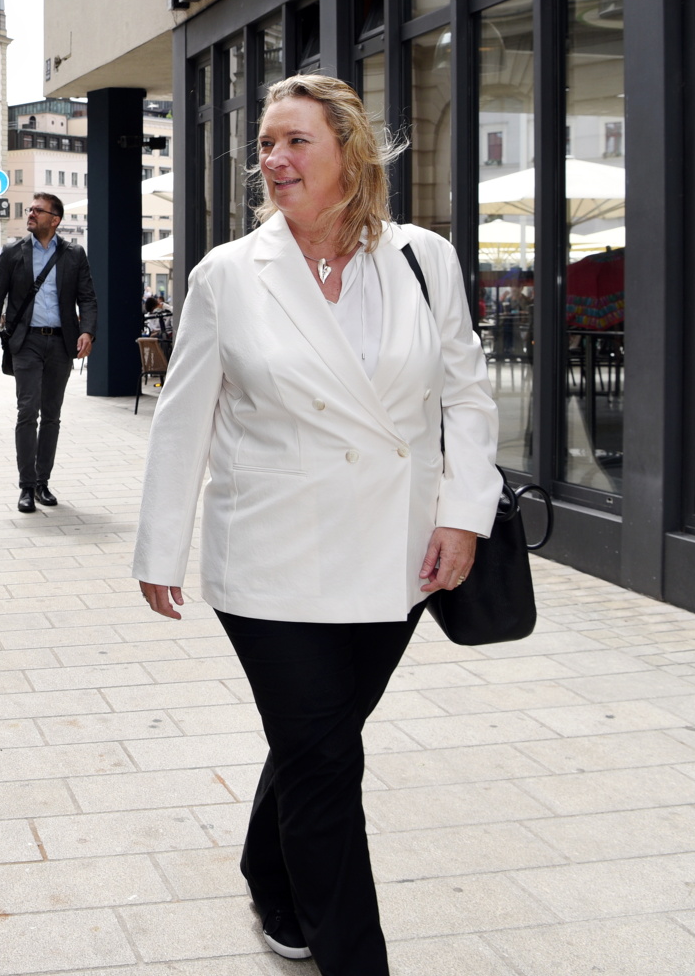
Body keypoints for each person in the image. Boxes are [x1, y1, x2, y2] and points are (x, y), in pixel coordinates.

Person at [132, 74, 499, 976]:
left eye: (295, 140)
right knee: (327, 762)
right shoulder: (229, 273)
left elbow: (468, 395)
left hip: (397, 557)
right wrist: (159, 546)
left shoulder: (424, 258)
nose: (275, 159)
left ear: (349, 151)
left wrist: (465, 515)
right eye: (266, 143)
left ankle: (267, 864)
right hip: (271, 560)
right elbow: (185, 417)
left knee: (314, 740)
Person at [0, 192, 98, 514]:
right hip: (26, 343)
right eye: (30, 209)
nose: (30, 214)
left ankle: (43, 481)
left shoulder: (74, 254)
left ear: (55, 219)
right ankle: (26, 486)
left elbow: (87, 298)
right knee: (27, 412)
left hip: (61, 344)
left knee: (51, 416)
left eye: (37, 210)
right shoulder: (12, 253)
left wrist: (87, 330)